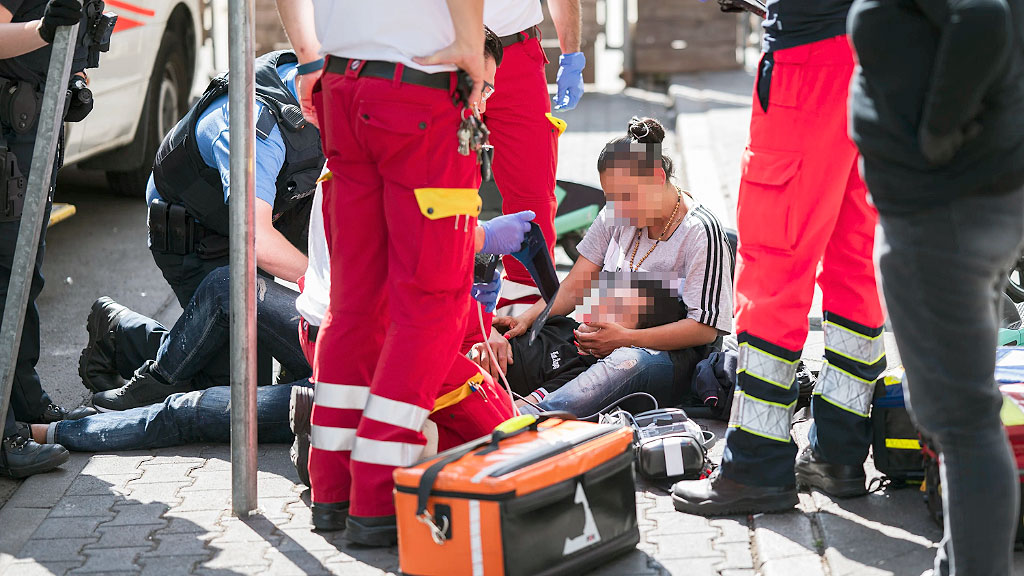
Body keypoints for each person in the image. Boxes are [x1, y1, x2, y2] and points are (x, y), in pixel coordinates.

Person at [274, 0, 490, 546]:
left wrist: (307, 57)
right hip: (421, 92)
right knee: (431, 304)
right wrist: (469, 49)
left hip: (344, 85)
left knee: (354, 303)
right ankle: (376, 496)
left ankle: (333, 490)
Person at [672, 0, 888, 515]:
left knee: (774, 265)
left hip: (809, 60)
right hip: (884, 54)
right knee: (855, 259)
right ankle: (838, 453)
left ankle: (754, 465)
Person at [849, 0, 1024, 573]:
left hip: (946, 210)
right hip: (966, 201)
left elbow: (982, 18)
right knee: (963, 417)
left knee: (966, 423)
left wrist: (937, 135)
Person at [79, 48, 324, 406]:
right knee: (234, 384)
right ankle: (118, 334)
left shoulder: (324, 96)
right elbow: (254, 239)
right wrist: (325, 287)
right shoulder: (254, 125)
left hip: (255, 220)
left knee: (261, 359)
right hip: (193, 235)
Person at [476, 117, 734, 418]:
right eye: (611, 198)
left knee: (627, 363)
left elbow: (704, 329)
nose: (618, 208)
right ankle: (482, 402)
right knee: (518, 349)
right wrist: (528, 318)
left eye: (627, 197)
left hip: (664, 357)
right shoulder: (615, 214)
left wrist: (626, 338)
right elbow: (575, 287)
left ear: (657, 178)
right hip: (603, 339)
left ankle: (527, 416)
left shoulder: (700, 232)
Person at [0, 0, 96, 477]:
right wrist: (42, 31)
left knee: (25, 272)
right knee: (6, 279)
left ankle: (26, 406)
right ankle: (5, 432)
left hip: (35, 123)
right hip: (9, 128)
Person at [473, 0, 583, 321]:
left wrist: (571, 53)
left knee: (532, 196)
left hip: (517, 56)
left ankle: (530, 321)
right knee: (438, 190)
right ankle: (454, 318)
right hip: (443, 58)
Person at [498, 275, 694, 414]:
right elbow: (489, 327)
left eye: (620, 309)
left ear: (628, 335)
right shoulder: (562, 322)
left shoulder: (580, 371)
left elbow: (523, 407)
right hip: (477, 347)